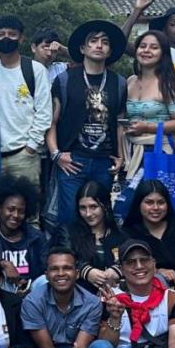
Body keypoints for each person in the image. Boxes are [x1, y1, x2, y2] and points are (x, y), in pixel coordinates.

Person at [46, 20, 128, 227]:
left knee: (101, 218)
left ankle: (98, 259)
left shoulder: (119, 83)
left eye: (105, 42)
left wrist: (121, 156)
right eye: (93, 41)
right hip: (73, 160)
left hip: (104, 160)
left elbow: (119, 123)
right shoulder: (65, 80)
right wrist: (56, 154)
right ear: (83, 48)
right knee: (68, 217)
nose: (99, 45)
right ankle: (67, 257)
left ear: (110, 51)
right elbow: (51, 122)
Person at [0, 15, 51, 199]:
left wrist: (31, 148)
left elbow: (44, 112)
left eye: (12, 34)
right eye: (1, 34)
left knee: (28, 210)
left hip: (24, 156)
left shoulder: (35, 70)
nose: (6, 38)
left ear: (21, 38)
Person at [122, 30, 175, 184]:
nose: (146, 51)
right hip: (130, 149)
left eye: (153, 47)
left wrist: (147, 127)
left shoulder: (169, 84)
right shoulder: (129, 81)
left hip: (158, 150)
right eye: (142, 46)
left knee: (155, 201)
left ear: (162, 53)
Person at [0, 174, 49, 293]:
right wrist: (2, 264)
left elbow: (47, 268)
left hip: (32, 292)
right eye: (10, 209)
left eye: (21, 211)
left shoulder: (36, 237)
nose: (16, 215)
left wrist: (27, 284)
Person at [50, 180, 128, 292]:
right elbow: (62, 258)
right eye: (83, 208)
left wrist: (118, 270)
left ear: (105, 206)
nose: (88, 214)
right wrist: (85, 271)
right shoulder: (67, 232)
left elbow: (133, 259)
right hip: (77, 295)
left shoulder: (120, 235)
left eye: (93, 207)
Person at [123, 179, 175, 283]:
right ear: (139, 204)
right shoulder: (129, 233)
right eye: (149, 202)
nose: (155, 207)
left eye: (161, 202)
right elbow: (128, 266)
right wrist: (157, 271)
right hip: (153, 288)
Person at [121, 0, 175, 78]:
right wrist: (137, 10)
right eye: (173, 24)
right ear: (164, 29)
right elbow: (121, 43)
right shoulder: (154, 53)